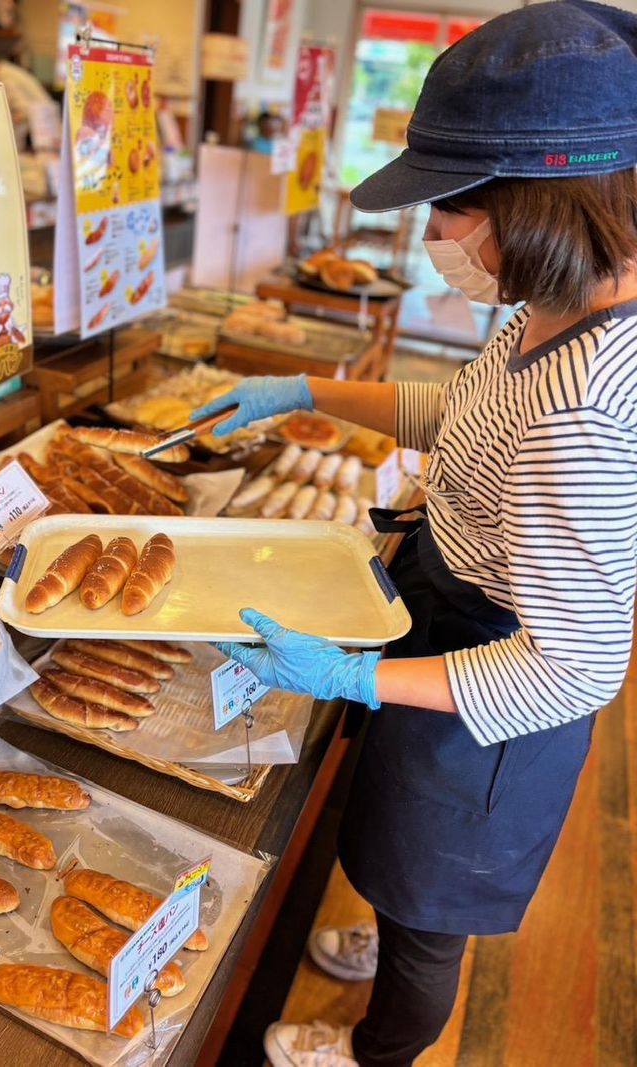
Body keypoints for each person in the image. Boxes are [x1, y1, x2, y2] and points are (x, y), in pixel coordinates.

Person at [192, 3, 637, 1065]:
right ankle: (387, 928)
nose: (431, 233)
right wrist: (307, 389)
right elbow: (465, 417)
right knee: (397, 861)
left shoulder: (585, 400)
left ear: (537, 203)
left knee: (433, 902)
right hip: (442, 622)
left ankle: (377, 1045)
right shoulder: (553, 305)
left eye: (450, 206)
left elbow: (572, 668)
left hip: (493, 687)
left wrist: (350, 676)